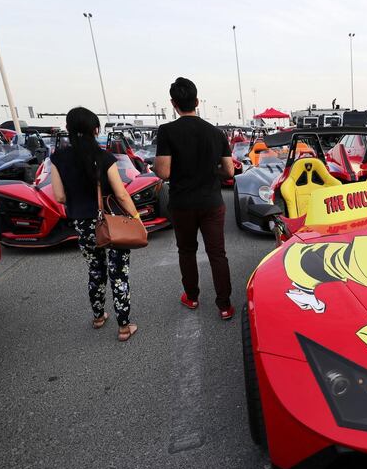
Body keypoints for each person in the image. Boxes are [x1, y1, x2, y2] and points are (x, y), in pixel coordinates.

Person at [50, 107, 140, 341]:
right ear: (95, 129)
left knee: (95, 270)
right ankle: (123, 327)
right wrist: (136, 218)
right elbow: (121, 194)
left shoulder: (58, 159)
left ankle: (99, 317)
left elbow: (59, 196)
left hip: (82, 223)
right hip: (110, 222)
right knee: (118, 272)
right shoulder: (105, 157)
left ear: (69, 130)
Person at [154, 77, 236, 319]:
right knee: (217, 253)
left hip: (182, 204)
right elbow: (229, 171)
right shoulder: (216, 133)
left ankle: (191, 297)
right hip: (211, 202)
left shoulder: (167, 131)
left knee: (187, 251)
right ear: (197, 101)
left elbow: (164, 172)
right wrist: (212, 171)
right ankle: (224, 305)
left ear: (173, 103)